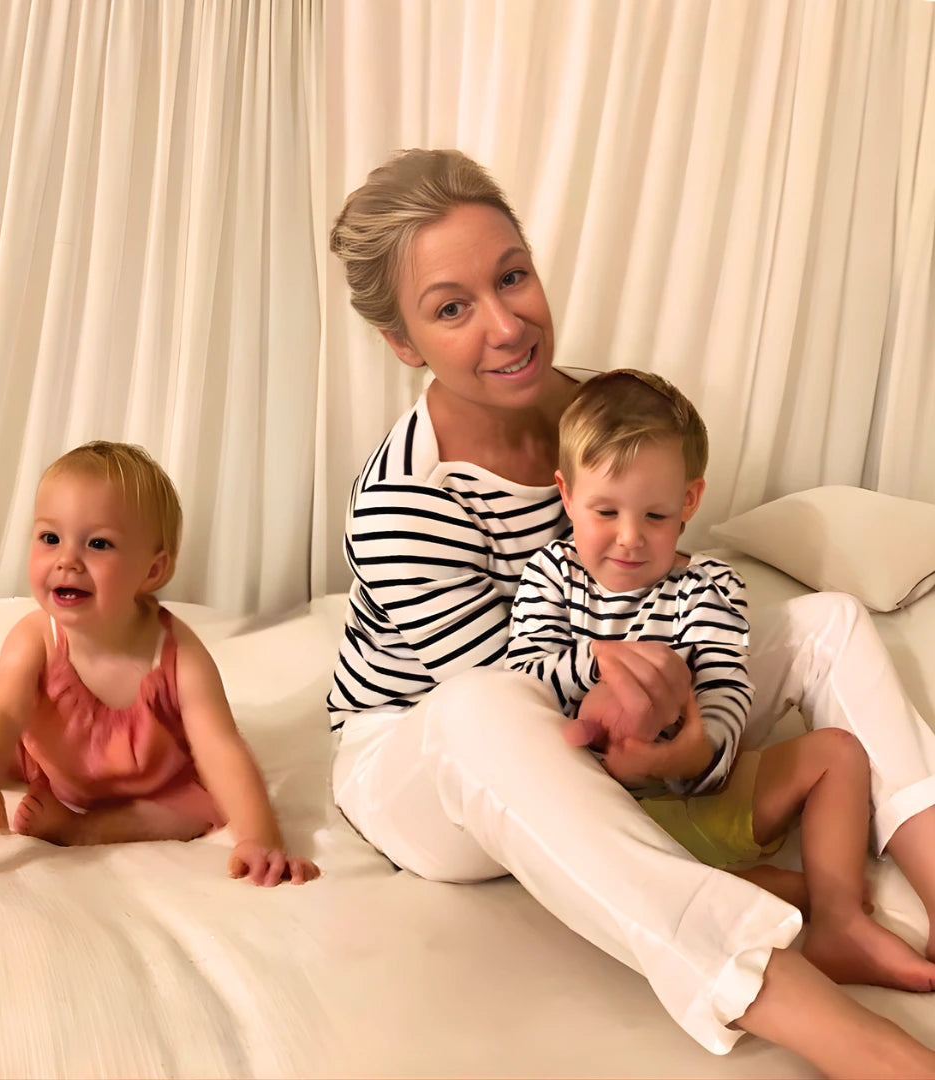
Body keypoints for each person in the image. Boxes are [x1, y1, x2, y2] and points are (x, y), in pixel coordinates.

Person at [326, 147, 935, 1077]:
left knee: (829, 622)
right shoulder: (408, 497)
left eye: (512, 276)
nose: (506, 323)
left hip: (615, 698)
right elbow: (520, 689)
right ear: (405, 344)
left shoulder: (599, 418)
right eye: (452, 308)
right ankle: (837, 1030)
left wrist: (701, 739)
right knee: (485, 708)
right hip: (427, 752)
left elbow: (671, 591)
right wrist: (654, 719)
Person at [504, 367, 935, 990]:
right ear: (566, 495)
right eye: (604, 511)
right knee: (673, 876)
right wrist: (599, 660)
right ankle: (783, 890)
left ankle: (837, 920)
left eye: (654, 515)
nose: (629, 539)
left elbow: (727, 690)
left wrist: (695, 752)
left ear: (689, 501)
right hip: (605, 815)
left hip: (697, 792)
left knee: (840, 753)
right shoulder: (551, 576)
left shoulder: (708, 585)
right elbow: (525, 681)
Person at [0, 441, 319, 887]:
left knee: (202, 804)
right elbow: (1, 712)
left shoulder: (181, 657)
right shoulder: (37, 635)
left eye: (98, 544)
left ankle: (83, 830)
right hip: (48, 752)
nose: (67, 560)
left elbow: (221, 748)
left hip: (143, 780)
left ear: (152, 571)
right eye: (50, 538)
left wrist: (262, 839)